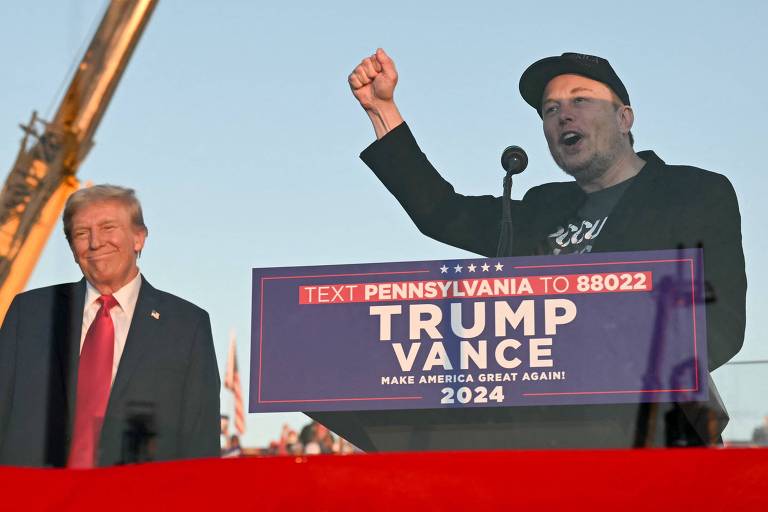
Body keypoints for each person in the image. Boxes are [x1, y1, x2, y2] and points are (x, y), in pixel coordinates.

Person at [349, 49, 746, 445]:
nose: (563, 115)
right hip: (547, 438)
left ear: (624, 118)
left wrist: (614, 368)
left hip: (657, 435)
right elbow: (443, 212)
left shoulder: (693, 192)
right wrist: (382, 109)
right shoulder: (543, 207)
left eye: (580, 99)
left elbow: (720, 324)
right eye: (550, 109)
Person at [0, 185, 220, 467]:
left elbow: (201, 442)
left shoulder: (188, 325)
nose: (95, 242)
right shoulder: (29, 313)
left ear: (139, 238)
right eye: (81, 233)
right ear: (72, 249)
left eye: (108, 228)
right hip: (31, 500)